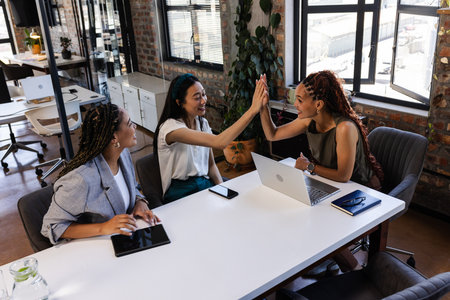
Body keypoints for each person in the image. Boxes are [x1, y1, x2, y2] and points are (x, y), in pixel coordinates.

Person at [260, 70, 383, 272]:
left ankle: (355, 271)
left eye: (299, 100)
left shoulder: (344, 128)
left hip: (360, 190)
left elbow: (344, 176)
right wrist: (263, 107)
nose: (295, 105)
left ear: (318, 105)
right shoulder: (310, 121)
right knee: (294, 209)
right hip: (332, 185)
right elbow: (272, 134)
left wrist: (309, 166)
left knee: (320, 226)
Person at [42, 103, 160, 245]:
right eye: (129, 123)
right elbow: (51, 226)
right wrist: (103, 227)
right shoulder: (81, 180)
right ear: (114, 138)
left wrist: (139, 202)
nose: (135, 126)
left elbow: (132, 187)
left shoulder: (123, 155)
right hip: (97, 246)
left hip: (126, 238)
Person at [153, 73, 268, 203]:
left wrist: (222, 189)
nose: (203, 100)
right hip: (180, 194)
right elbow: (219, 142)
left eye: (203, 94)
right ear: (180, 103)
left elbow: (211, 165)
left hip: (203, 185)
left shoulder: (202, 123)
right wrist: (252, 110)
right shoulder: (170, 128)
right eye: (197, 97)